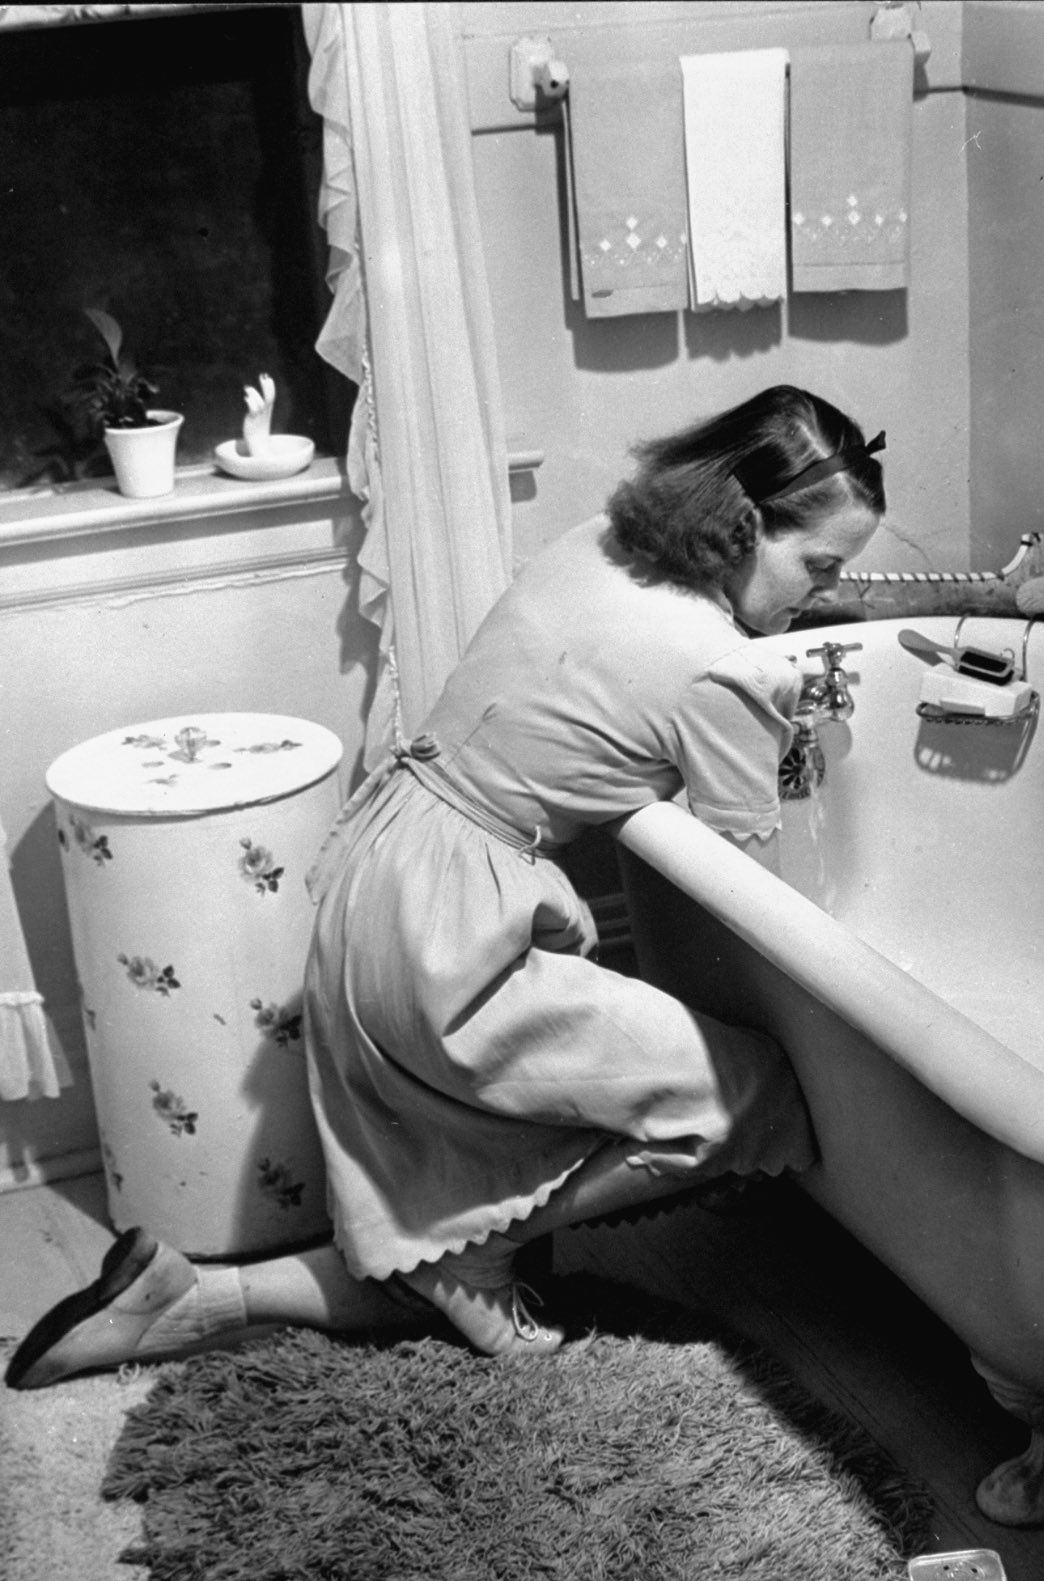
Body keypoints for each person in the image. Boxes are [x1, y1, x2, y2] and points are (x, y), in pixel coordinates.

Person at [5, 385, 883, 1389]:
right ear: (746, 526)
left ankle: (186, 1296)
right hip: (455, 942)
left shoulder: (599, 544)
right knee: (744, 1099)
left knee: (423, 1257)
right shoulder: (725, 671)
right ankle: (477, 1256)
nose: (822, 591)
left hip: (374, 885)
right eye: (821, 567)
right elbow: (757, 898)